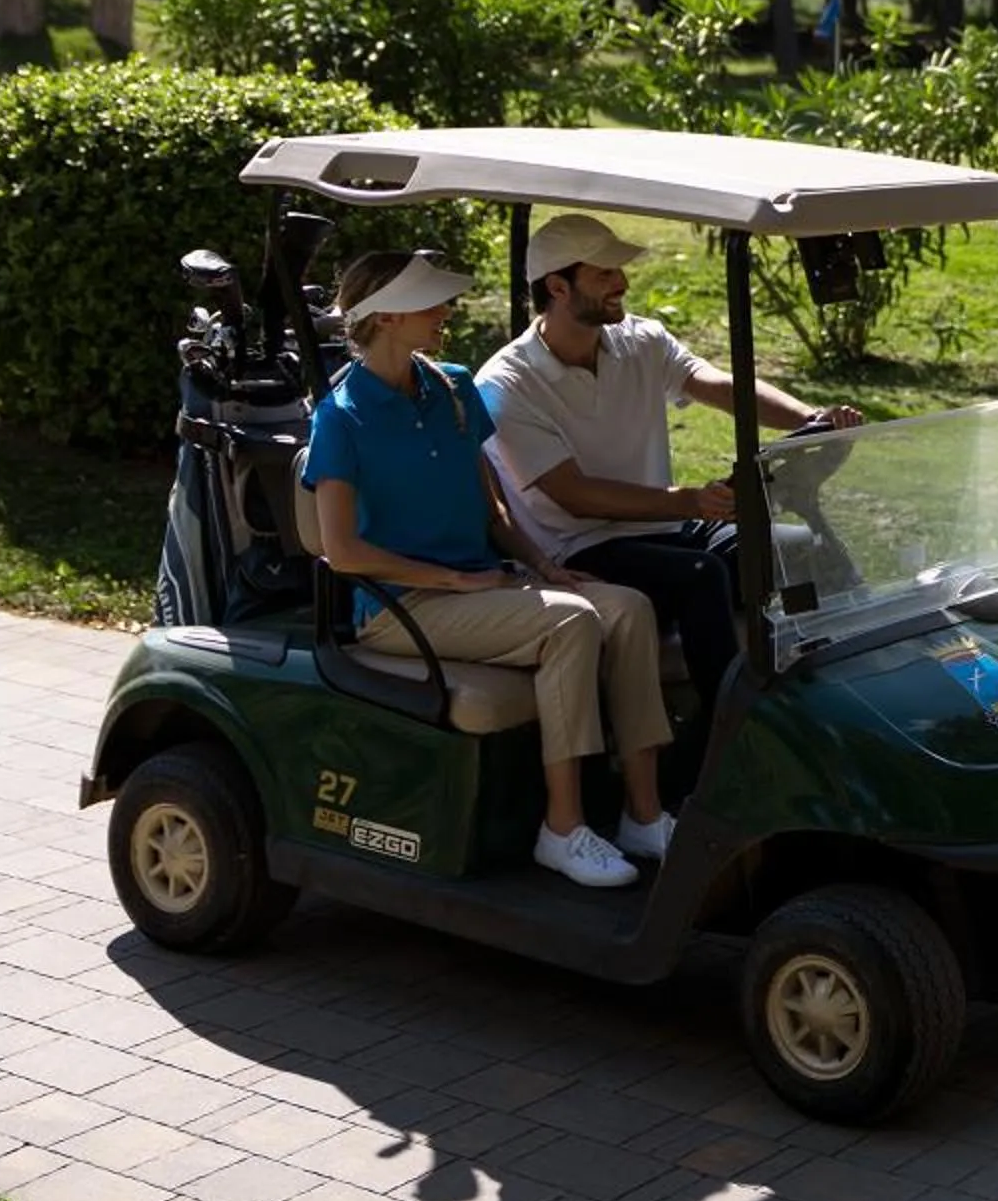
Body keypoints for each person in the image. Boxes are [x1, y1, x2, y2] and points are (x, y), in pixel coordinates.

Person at [304, 248, 675, 891]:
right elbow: (344, 552)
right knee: (571, 625)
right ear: (387, 317)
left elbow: (492, 504)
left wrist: (542, 564)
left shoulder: (451, 387)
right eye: (431, 302)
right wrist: (455, 581)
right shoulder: (342, 418)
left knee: (629, 608)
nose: (446, 312)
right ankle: (563, 829)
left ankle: (643, 814)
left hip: (481, 583)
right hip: (401, 607)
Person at [475, 213, 860, 714]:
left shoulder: (640, 340)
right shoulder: (507, 383)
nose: (622, 283)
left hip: (662, 529)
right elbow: (572, 493)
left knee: (793, 546)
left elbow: (717, 385)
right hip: (579, 549)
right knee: (700, 575)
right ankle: (728, 730)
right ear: (557, 286)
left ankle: (822, 693)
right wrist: (688, 501)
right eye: (605, 274)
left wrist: (811, 418)